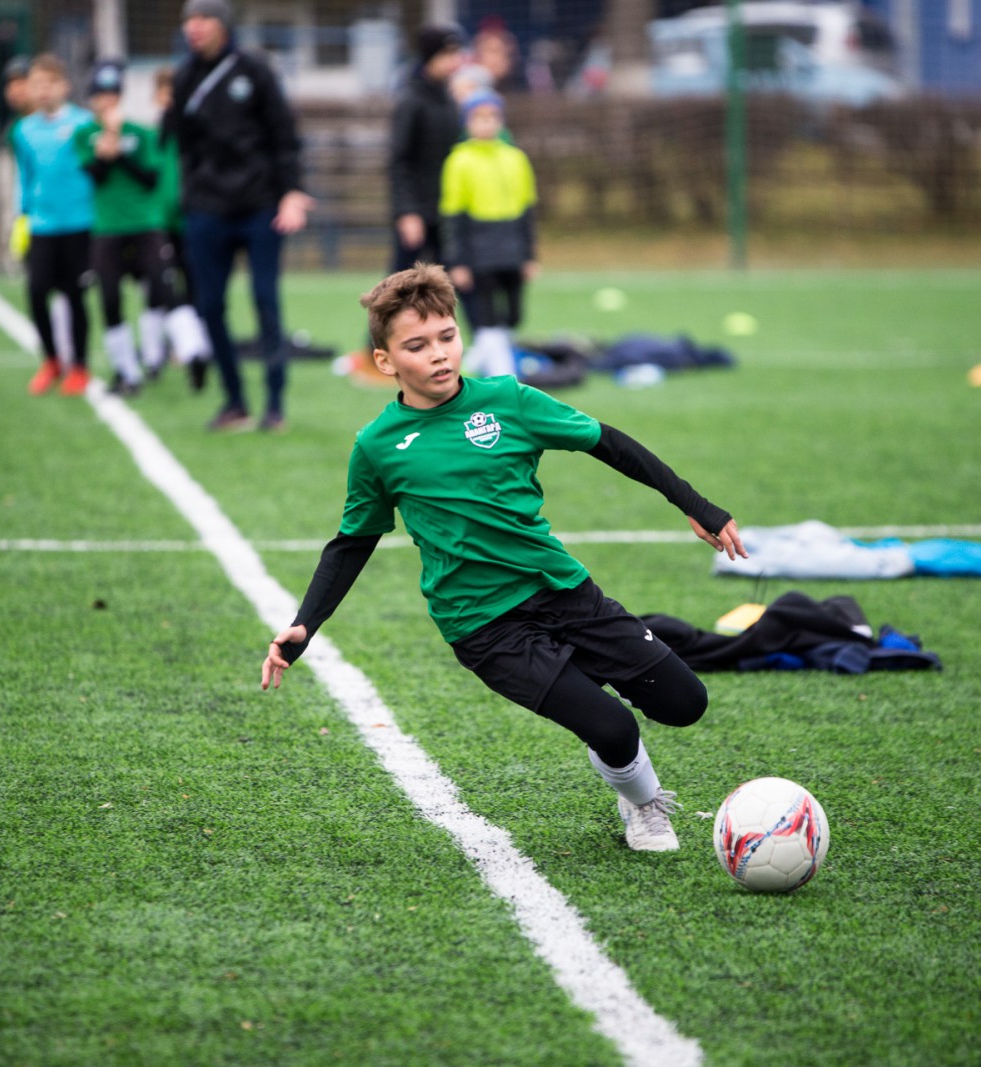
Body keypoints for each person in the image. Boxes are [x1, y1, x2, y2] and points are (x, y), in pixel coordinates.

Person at [260, 264, 746, 853]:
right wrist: (304, 625)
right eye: (417, 346)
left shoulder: (508, 400)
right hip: (484, 624)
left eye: (447, 337)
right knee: (613, 727)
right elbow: (353, 541)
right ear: (384, 361)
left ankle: (594, 680)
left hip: (563, 590)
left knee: (685, 703)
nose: (439, 355)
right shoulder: (378, 446)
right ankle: (644, 806)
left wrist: (695, 505)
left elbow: (608, 441)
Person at [165, 0, 315, 433]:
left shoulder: (256, 70)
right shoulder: (184, 76)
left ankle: (274, 403)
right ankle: (234, 401)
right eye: (189, 20)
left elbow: (284, 136)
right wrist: (191, 196)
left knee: (265, 300)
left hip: (260, 207)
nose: (194, 27)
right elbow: (183, 144)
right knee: (209, 305)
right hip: (207, 210)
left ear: (223, 25)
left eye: (203, 19)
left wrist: (290, 193)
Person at [74, 60, 181, 398]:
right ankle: (125, 370)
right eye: (100, 94)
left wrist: (119, 149)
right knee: (108, 296)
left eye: (112, 93)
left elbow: (149, 179)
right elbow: (97, 178)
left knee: (160, 288)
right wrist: (107, 143)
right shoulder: (84, 135)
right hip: (107, 228)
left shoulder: (140, 132)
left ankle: (158, 355)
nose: (106, 100)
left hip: (144, 225)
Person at [9, 54, 94, 396]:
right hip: (42, 225)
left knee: (75, 295)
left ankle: (80, 366)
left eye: (49, 84)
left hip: (79, 223)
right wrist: (22, 216)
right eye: (36, 85)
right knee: (36, 291)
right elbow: (25, 176)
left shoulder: (83, 123)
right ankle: (51, 360)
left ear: (64, 86)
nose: (42, 91)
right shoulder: (24, 130)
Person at [441, 89, 537, 379]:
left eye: (491, 117)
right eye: (478, 118)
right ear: (467, 122)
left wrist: (529, 255)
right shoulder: (459, 161)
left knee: (515, 314)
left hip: (511, 249)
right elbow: (452, 215)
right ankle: (502, 374)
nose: (485, 124)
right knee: (486, 315)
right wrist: (457, 261)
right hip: (479, 251)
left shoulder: (516, 158)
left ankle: (479, 360)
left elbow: (527, 210)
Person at [148, 64, 214, 385]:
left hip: (191, 220)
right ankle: (161, 353)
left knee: (194, 286)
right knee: (159, 286)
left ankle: (195, 350)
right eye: (163, 93)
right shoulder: (152, 136)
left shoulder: (192, 134)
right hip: (158, 223)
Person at [389, 23, 464, 274]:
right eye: (447, 54)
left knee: (460, 283)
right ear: (430, 56)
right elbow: (399, 161)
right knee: (400, 287)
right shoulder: (410, 100)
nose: (455, 61)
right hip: (419, 213)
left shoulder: (449, 99)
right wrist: (407, 212)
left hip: (448, 211)